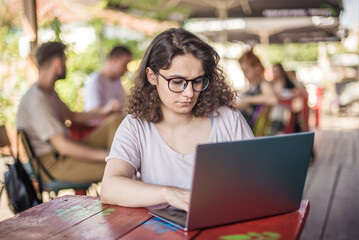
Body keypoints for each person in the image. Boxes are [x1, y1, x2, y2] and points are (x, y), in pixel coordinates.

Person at [101, 28, 254, 212]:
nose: (189, 93)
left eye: (197, 81)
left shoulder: (228, 119)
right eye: (177, 82)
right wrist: (170, 194)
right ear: (152, 76)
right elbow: (109, 187)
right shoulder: (136, 126)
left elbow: (257, 180)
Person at [16, 41, 123, 184]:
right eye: (65, 60)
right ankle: (119, 169)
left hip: (62, 154)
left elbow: (73, 116)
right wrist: (109, 156)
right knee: (120, 169)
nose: (66, 65)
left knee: (116, 120)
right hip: (53, 165)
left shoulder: (48, 92)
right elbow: (63, 147)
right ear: (58, 62)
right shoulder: (37, 99)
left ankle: (119, 161)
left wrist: (105, 110)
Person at [233, 50, 277, 133]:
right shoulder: (251, 87)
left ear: (257, 68)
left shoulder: (263, 84)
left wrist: (247, 100)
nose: (245, 74)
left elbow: (273, 99)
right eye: (243, 71)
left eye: (246, 70)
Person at [84, 46, 132, 113]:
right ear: (113, 60)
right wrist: (107, 108)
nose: (126, 70)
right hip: (100, 123)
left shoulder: (117, 81)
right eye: (124, 64)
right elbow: (89, 112)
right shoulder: (96, 80)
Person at [271, 63, 308, 133]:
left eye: (277, 71)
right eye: (274, 72)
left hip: (288, 106)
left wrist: (290, 93)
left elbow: (298, 89)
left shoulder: (287, 81)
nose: (276, 74)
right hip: (278, 106)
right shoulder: (272, 83)